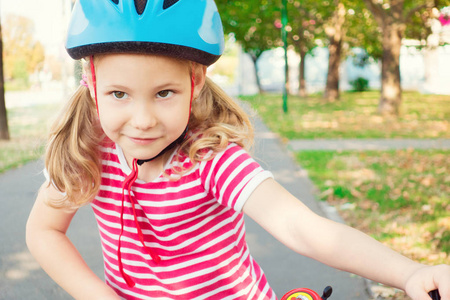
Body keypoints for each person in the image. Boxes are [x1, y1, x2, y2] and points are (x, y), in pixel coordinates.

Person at [26, 1, 449, 299]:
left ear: (194, 84)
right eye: (119, 93)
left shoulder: (210, 159)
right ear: (91, 82)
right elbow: (44, 231)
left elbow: (304, 228)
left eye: (164, 93)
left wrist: (410, 272)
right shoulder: (86, 153)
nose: (142, 119)